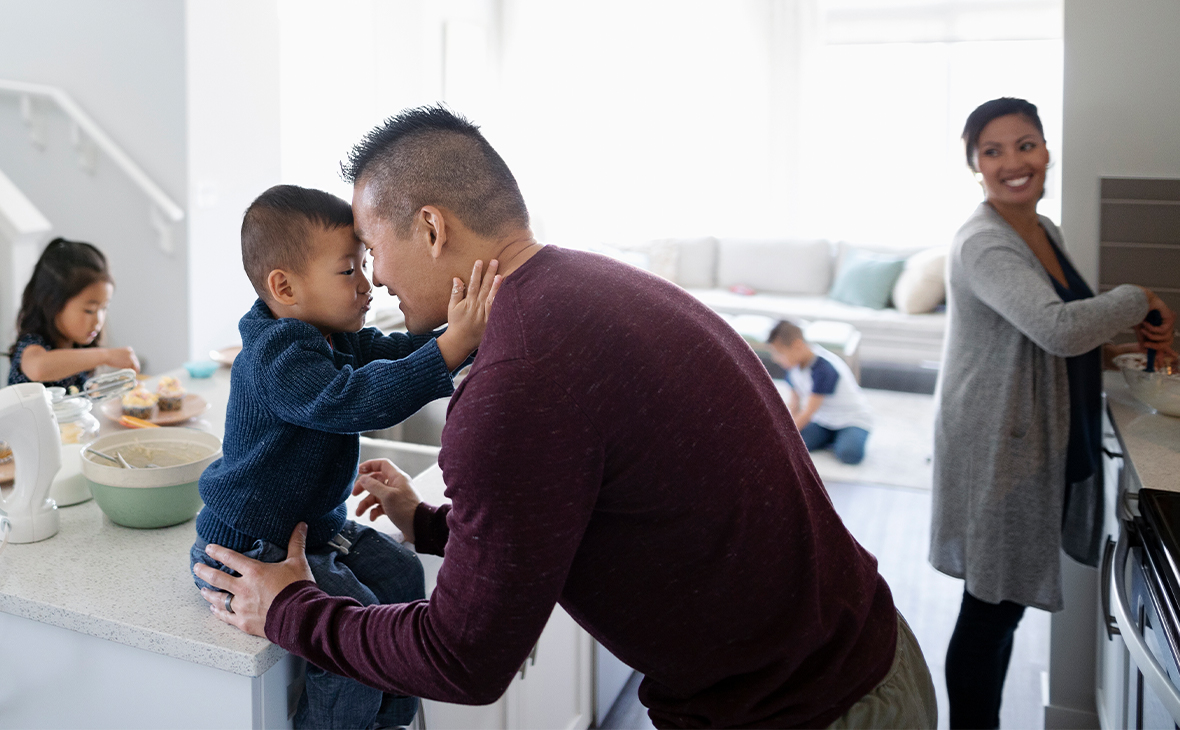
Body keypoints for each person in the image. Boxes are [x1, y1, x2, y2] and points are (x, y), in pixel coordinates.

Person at [193, 106, 938, 728]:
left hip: (808, 711)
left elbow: (463, 657)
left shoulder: (520, 382)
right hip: (857, 660)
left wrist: (289, 607)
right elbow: (563, 514)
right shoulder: (596, 284)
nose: (376, 275)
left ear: (430, 228)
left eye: (373, 248)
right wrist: (426, 526)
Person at [189, 184, 499, 729]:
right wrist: (452, 349)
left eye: (364, 264)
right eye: (348, 271)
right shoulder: (277, 354)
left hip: (316, 528)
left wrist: (469, 336)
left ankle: (390, 721)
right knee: (351, 644)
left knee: (403, 574)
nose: (367, 284)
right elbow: (350, 400)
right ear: (284, 287)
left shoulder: (332, 334)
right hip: (254, 545)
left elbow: (394, 351)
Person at [929, 97, 1176, 729]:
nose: (1014, 162)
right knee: (990, 607)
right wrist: (1138, 298)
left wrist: (1121, 348)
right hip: (997, 440)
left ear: (1045, 151)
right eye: (993, 151)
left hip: (1028, 429)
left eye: (1026, 144)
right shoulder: (985, 242)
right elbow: (1057, 329)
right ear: (974, 167)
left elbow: (1046, 335)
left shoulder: (1041, 229)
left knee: (1001, 604)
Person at [6, 237, 140, 388]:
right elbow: (38, 368)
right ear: (53, 303)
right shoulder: (32, 344)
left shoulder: (78, 345)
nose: (98, 321)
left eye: (104, 308)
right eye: (89, 310)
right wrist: (105, 356)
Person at [768, 320, 873, 465]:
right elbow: (794, 404)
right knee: (794, 445)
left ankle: (842, 437)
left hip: (850, 419)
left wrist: (785, 435)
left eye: (779, 353)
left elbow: (808, 411)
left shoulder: (824, 368)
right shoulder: (793, 368)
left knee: (849, 454)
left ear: (797, 345)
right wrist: (782, 430)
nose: (775, 359)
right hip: (823, 420)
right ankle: (831, 438)